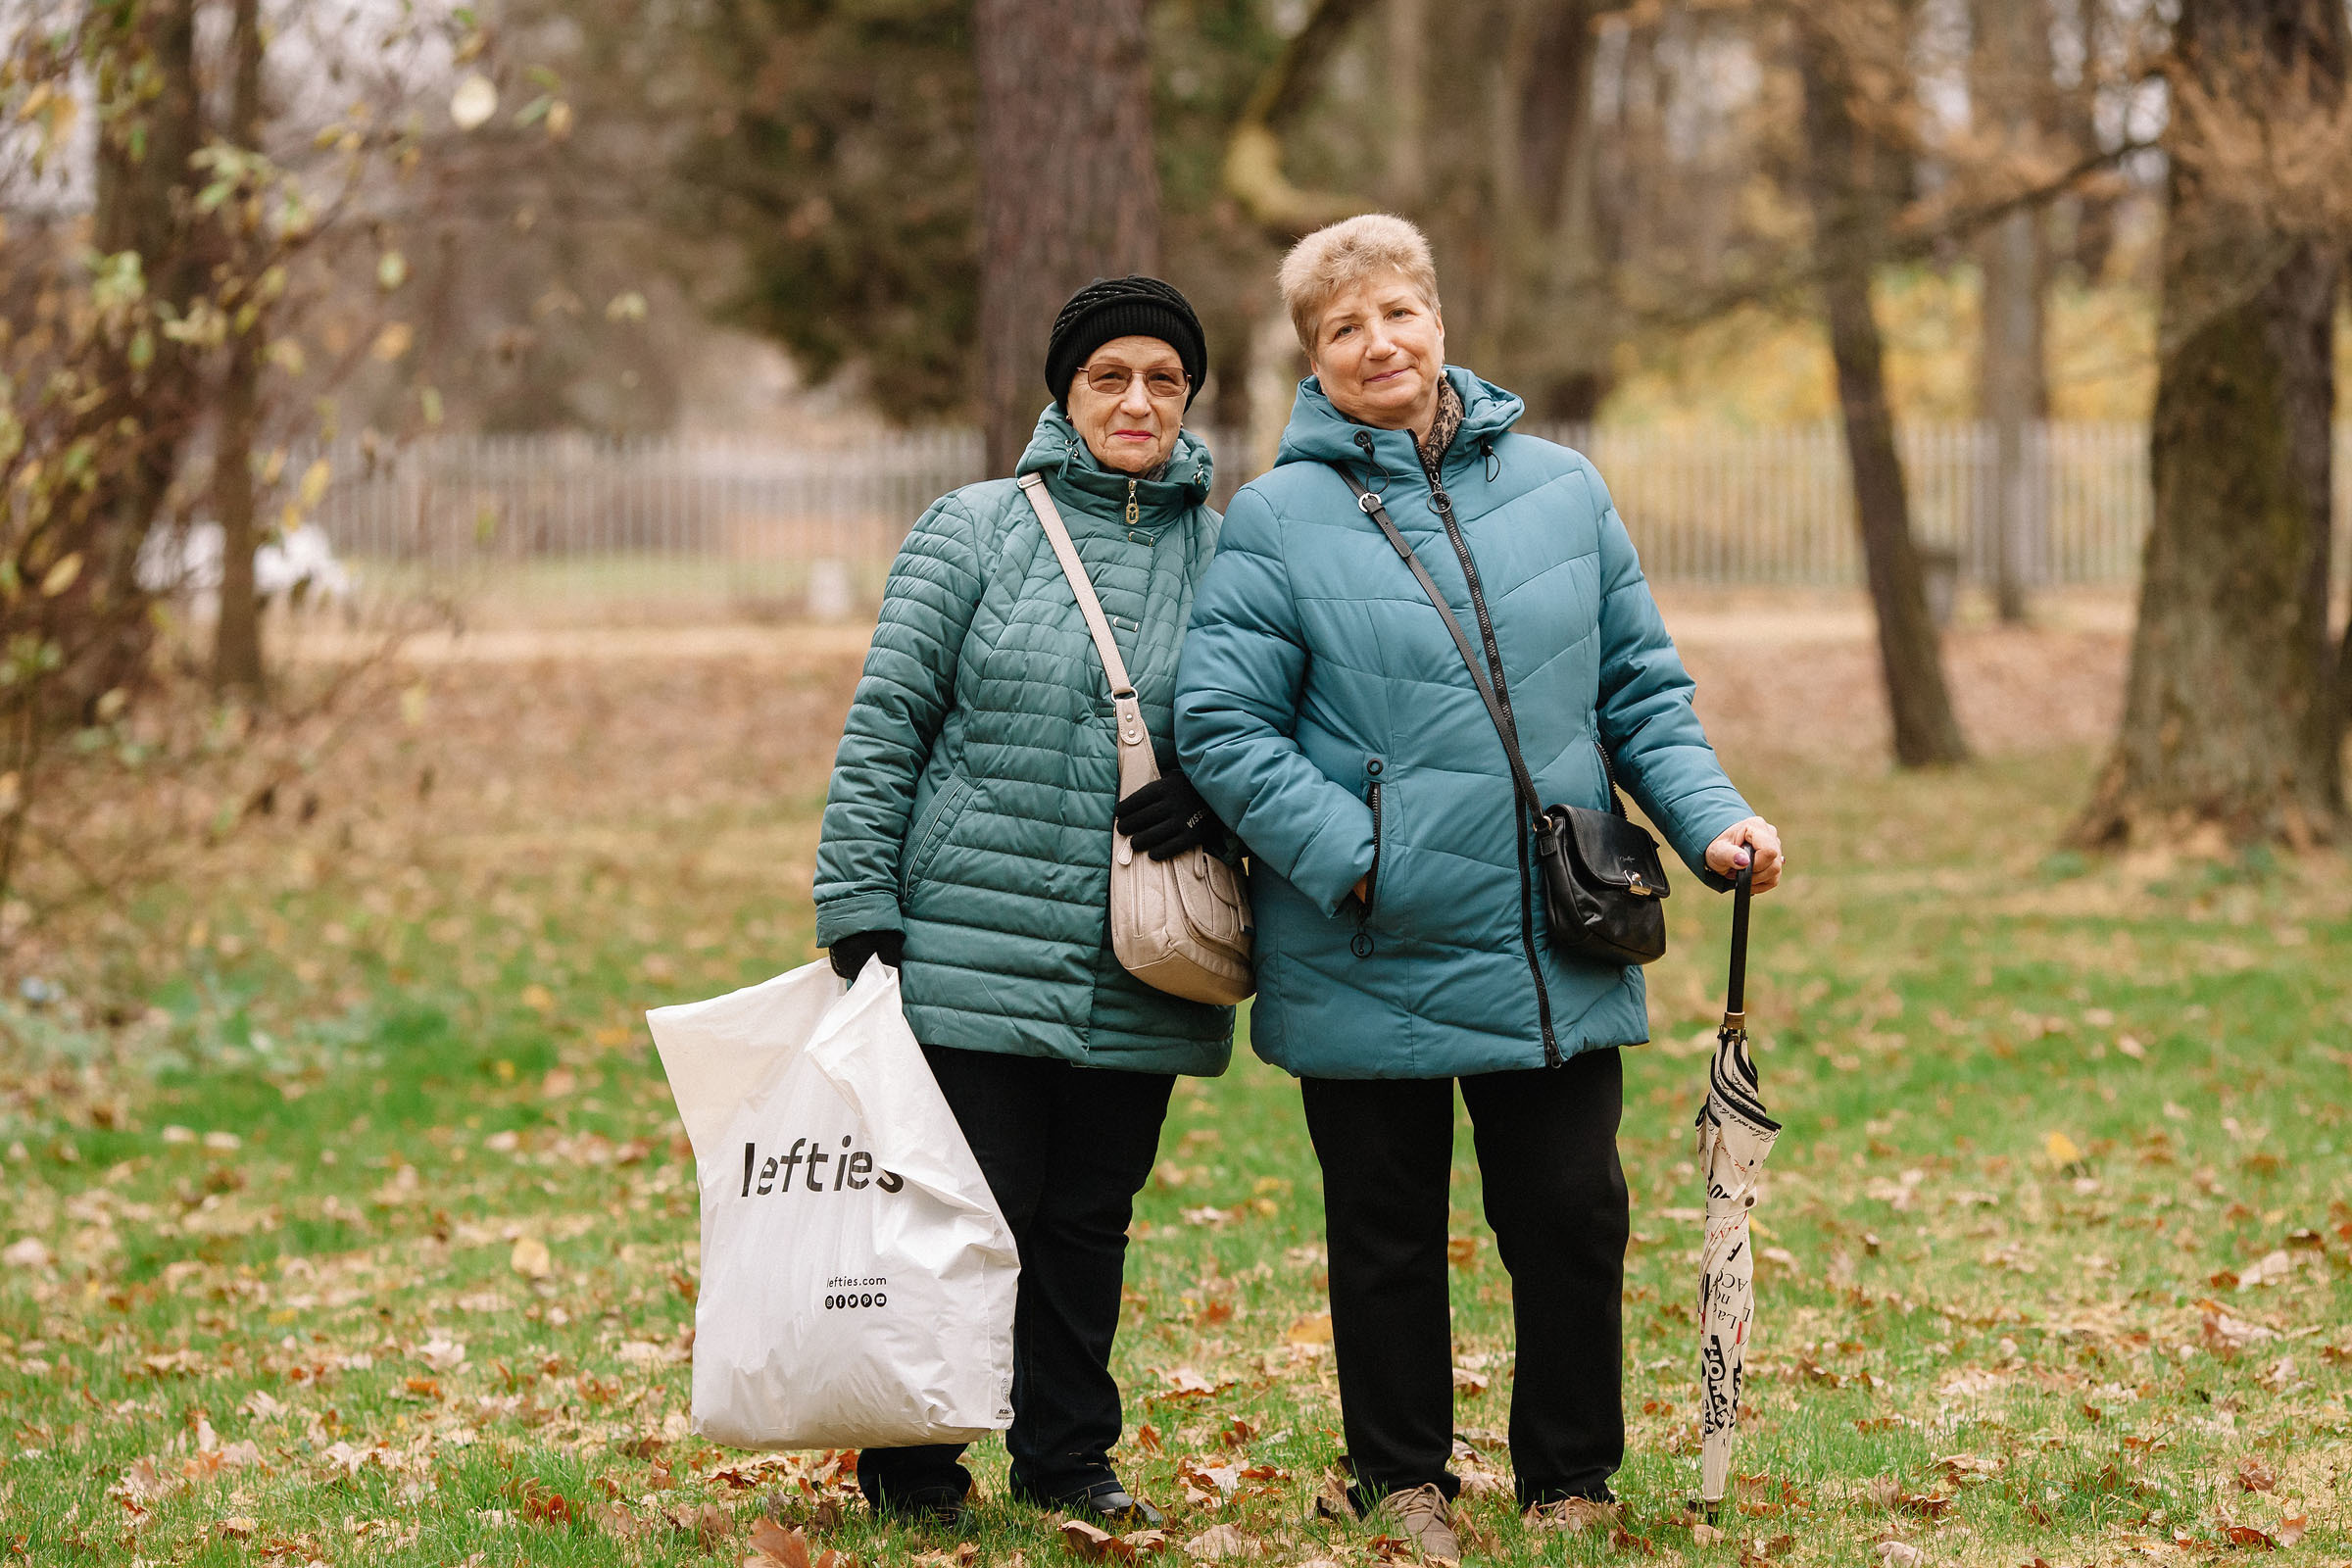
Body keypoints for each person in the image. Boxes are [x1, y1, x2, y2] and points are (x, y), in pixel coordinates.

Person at [1175, 216, 1785, 1558]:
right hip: (1367, 940)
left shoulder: (1564, 489)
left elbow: (1640, 691)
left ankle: (1571, 1475)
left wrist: (1712, 819)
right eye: (1344, 329)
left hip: (1555, 929)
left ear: (1439, 321)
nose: (1377, 343)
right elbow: (1222, 729)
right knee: (1387, 1230)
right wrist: (1361, 860)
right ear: (1313, 361)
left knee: (1570, 1214)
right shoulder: (1275, 519)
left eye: (1396, 313)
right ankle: (1401, 1478)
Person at [814, 276, 1233, 1529]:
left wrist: (1212, 805)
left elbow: (1268, 726)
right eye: (1111, 376)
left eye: (1165, 378)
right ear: (1065, 390)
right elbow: (887, 722)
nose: (1139, 400)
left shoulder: (1233, 550)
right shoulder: (976, 529)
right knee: (958, 1213)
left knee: (1087, 1221)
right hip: (970, 941)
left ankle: (1069, 1462)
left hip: (1140, 952)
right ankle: (915, 1464)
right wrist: (858, 898)